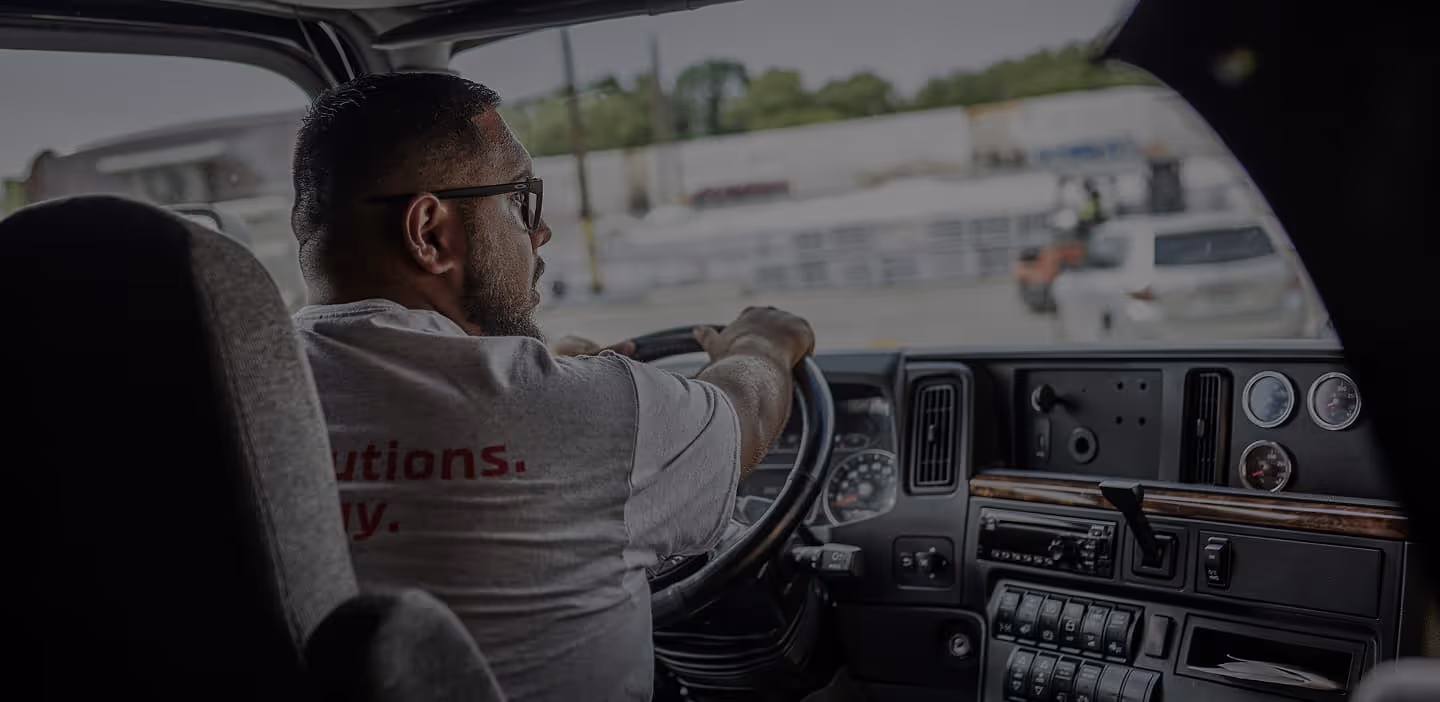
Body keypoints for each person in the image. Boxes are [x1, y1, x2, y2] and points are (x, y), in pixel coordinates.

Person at [288, 72, 814, 702]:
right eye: (519, 198)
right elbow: (746, 412)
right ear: (429, 232)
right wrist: (763, 342)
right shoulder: (597, 411)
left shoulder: (224, 404)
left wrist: (550, 367)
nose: (540, 233)